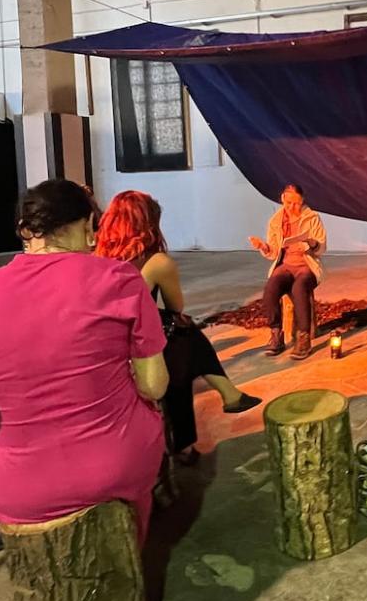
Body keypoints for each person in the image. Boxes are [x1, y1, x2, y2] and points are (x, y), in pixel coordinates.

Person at [0, 180, 170, 547]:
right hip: (111, 468)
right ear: (89, 224)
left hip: (13, 485)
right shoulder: (119, 278)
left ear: (26, 230)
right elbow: (154, 385)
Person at [95, 190, 261, 465]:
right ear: (149, 223)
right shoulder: (156, 262)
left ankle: (228, 395)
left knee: (179, 336)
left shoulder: (97, 256)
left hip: (106, 340)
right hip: (134, 346)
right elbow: (176, 306)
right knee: (182, 340)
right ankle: (187, 439)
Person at [249, 184, 327, 360]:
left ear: (302, 201)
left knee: (299, 288)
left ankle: (304, 338)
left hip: (306, 265)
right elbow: (274, 253)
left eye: (297, 203)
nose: (293, 207)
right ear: (283, 199)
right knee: (271, 289)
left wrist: (309, 243)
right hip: (285, 265)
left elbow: (322, 247)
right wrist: (263, 247)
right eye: (290, 202)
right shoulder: (275, 221)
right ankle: (276, 334)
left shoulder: (312, 217)